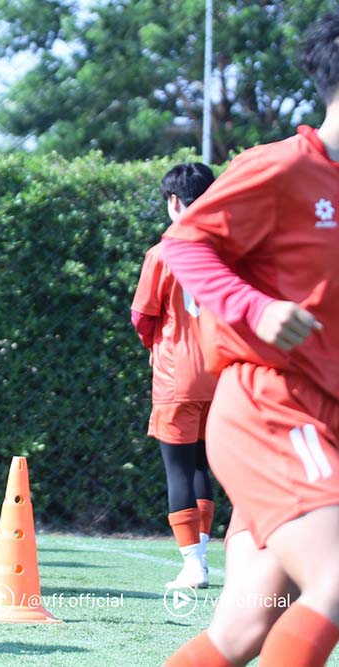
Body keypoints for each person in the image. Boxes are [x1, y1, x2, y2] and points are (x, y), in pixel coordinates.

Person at [162, 12, 339, 666]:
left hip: (321, 421)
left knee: (244, 631)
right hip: (272, 411)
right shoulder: (283, 167)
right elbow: (184, 245)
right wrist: (257, 309)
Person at [131, 163, 217, 589]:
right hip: (221, 374)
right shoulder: (230, 249)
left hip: (176, 375)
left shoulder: (162, 252)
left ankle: (192, 565)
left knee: (179, 469)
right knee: (204, 464)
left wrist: (156, 350)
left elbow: (142, 316)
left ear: (173, 202)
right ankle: (206, 557)